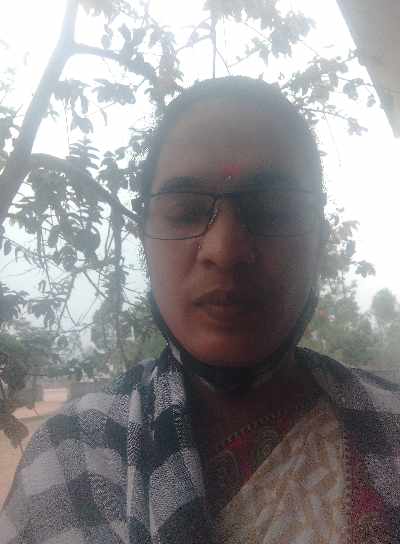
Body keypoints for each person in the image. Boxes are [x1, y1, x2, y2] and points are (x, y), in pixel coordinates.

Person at [1, 76, 399, 543]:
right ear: (144, 237)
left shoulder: (390, 426)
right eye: (185, 211)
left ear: (320, 238)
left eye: (272, 210)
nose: (225, 250)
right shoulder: (69, 456)